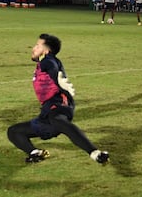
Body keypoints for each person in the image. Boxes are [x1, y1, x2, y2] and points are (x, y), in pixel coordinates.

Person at [7, 33, 109, 164]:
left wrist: (58, 79)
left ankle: (95, 153)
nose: (33, 48)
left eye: (37, 45)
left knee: (58, 120)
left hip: (59, 101)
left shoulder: (47, 60)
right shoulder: (43, 62)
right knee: (14, 131)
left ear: (46, 50)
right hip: (47, 110)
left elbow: (52, 68)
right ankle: (35, 153)